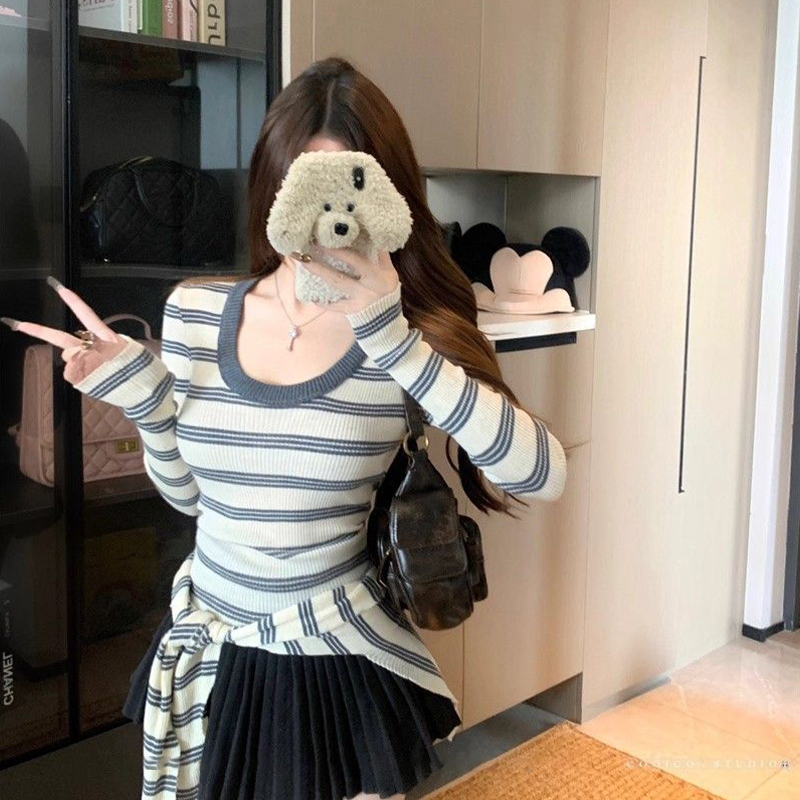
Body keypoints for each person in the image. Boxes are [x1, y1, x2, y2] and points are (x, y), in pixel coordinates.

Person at [2, 57, 568, 800]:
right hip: (210, 650)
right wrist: (146, 401)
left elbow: (542, 474)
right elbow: (196, 501)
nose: (328, 221)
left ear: (390, 198)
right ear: (272, 189)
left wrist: (393, 340)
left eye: (349, 187)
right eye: (304, 185)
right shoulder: (197, 310)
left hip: (331, 658)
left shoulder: (408, 333)